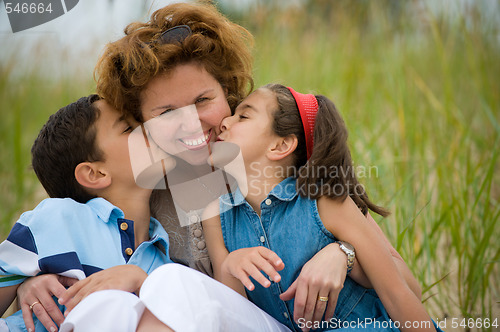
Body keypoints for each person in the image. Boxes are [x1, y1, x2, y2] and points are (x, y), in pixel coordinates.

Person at [15, 2, 421, 331]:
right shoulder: (142, 188)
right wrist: (31, 281)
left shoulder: (273, 165)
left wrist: (341, 252)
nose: (192, 123)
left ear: (228, 95)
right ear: (143, 123)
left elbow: (409, 289)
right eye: (167, 111)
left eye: (204, 100)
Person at [202, 84, 440, 331]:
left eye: (243, 116)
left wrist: (344, 254)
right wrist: (230, 264)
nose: (224, 122)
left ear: (281, 146)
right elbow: (235, 316)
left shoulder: (324, 201)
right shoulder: (215, 214)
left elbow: (398, 294)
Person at [0, 96, 174, 331]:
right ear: (96, 174)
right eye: (129, 128)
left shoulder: (164, 257)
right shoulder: (58, 218)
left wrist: (142, 283)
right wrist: (24, 283)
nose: (149, 129)